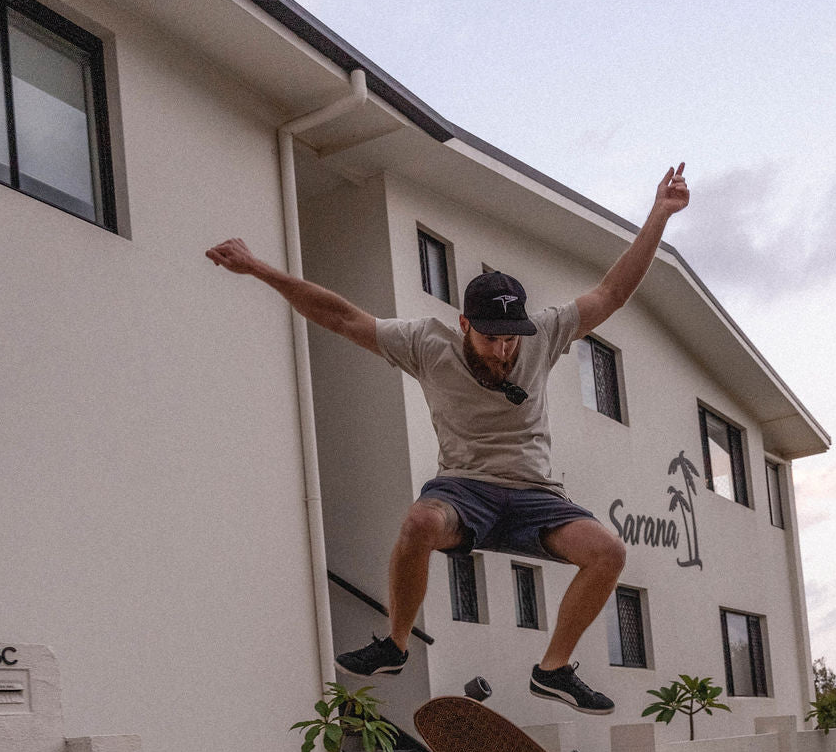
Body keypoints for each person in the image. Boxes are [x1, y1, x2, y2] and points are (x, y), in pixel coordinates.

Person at [206, 163, 689, 715]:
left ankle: (552, 670)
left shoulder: (548, 331)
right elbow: (339, 317)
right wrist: (258, 269)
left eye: (513, 340)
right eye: (491, 337)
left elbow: (612, 292)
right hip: (464, 490)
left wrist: (659, 215)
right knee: (417, 523)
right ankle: (395, 643)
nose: (505, 351)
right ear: (463, 324)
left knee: (608, 552)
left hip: (536, 496)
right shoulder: (424, 343)